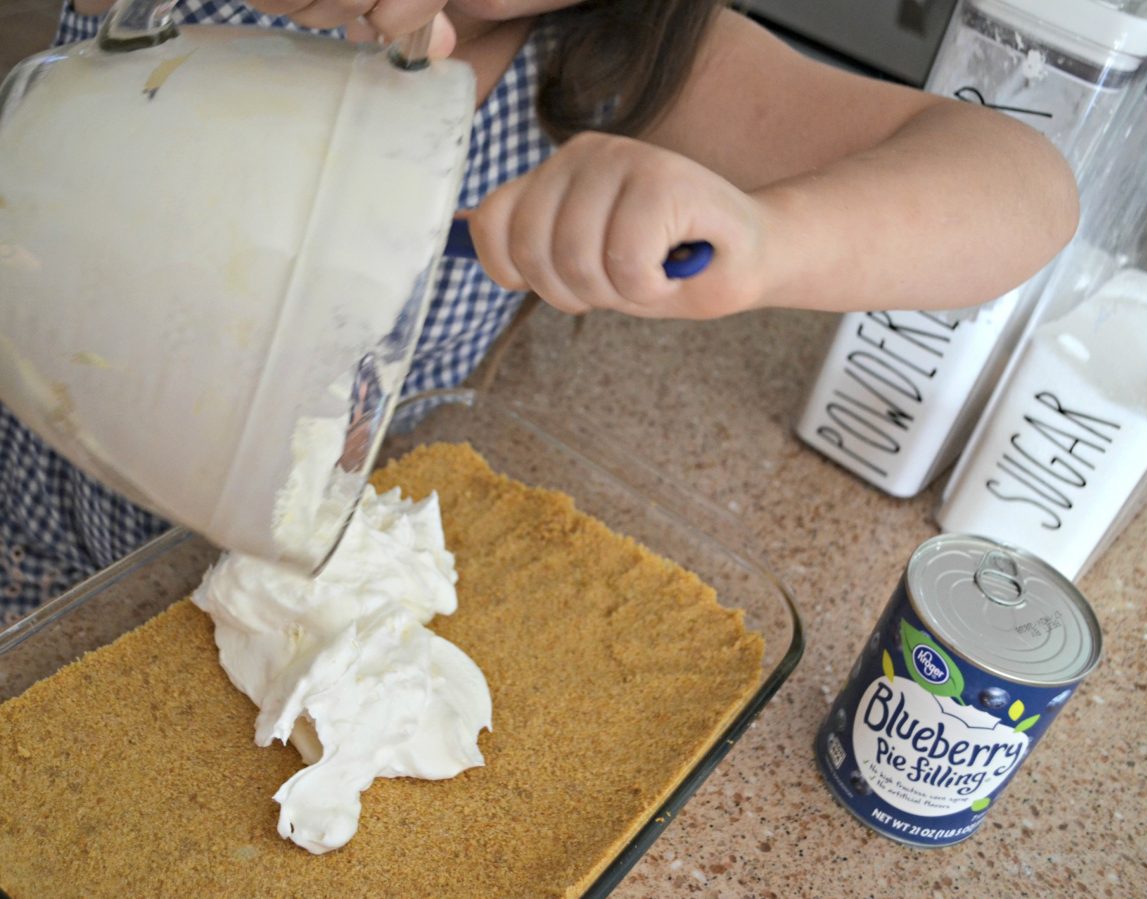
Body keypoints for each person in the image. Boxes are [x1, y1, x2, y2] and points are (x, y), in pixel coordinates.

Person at [0, 0, 1079, 618]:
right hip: (51, 496)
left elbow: (1025, 188)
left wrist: (769, 238)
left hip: (288, 569)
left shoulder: (629, 54)